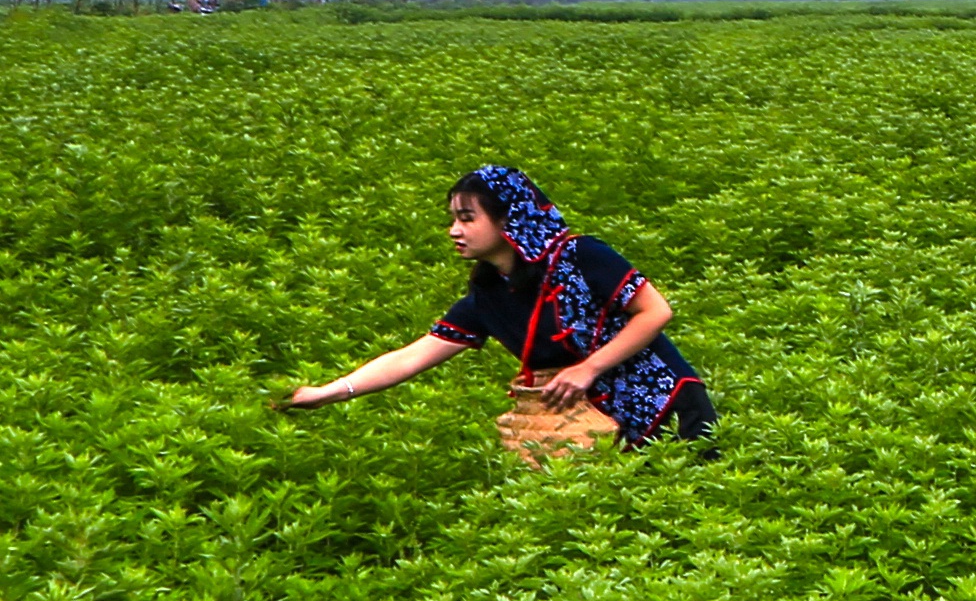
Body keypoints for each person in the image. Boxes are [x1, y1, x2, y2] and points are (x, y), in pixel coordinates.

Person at [279, 164, 717, 448]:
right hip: (589, 425)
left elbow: (655, 312)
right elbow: (414, 355)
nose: (454, 230)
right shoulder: (490, 293)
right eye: (453, 219)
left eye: (467, 219)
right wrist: (330, 392)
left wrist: (588, 368)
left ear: (511, 220)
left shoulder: (579, 257)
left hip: (665, 408)